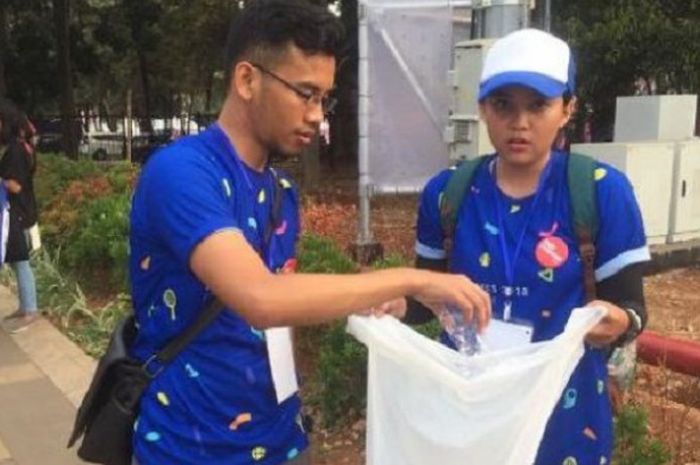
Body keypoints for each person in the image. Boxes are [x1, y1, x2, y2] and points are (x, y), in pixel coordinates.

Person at [127, 1, 491, 464]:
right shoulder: (181, 172)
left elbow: (282, 307)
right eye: (305, 93)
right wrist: (413, 279)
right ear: (246, 80)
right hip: (188, 448)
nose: (318, 115)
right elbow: (261, 298)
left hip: (282, 439)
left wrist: (367, 303)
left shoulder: (280, 191)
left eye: (324, 98)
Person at [407, 29, 648, 465]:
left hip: (566, 416)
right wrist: (389, 304)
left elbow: (632, 307)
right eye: (503, 105)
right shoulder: (448, 194)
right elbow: (425, 302)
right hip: (470, 409)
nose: (520, 123)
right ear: (482, 108)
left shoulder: (600, 192)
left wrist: (622, 320)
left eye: (538, 105)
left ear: (567, 108)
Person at [0, 105, 40, 333]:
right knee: (17, 260)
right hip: (21, 210)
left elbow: (15, 185)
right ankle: (25, 305)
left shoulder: (16, 150)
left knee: (21, 261)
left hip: (17, 212)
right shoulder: (22, 148)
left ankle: (31, 309)